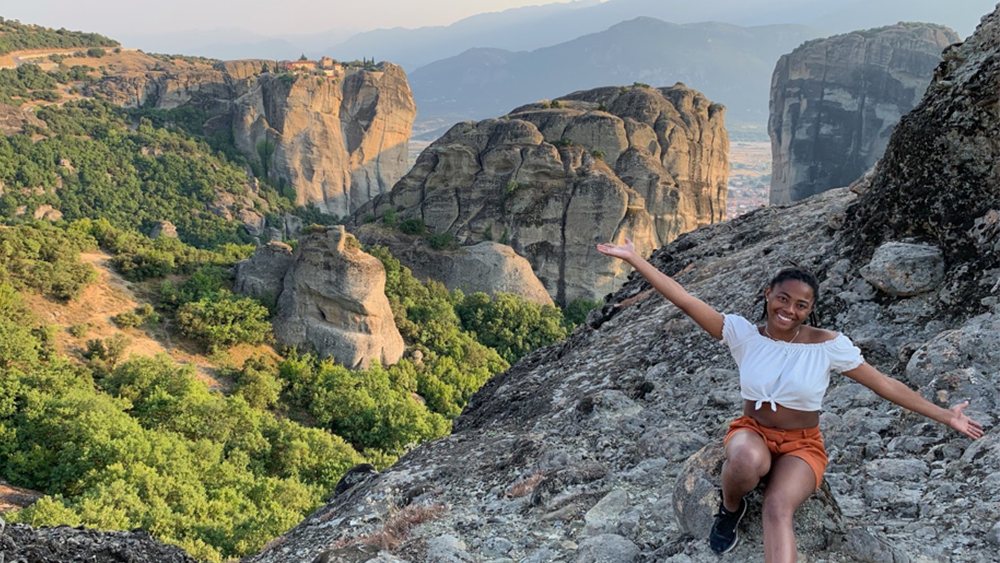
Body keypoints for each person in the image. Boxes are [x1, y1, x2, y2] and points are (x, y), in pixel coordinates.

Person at [596, 238, 984, 562]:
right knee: (746, 463)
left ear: (810, 308)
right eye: (783, 299)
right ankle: (730, 509)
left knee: (778, 509)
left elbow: (884, 384)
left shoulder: (829, 346)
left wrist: (944, 415)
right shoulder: (743, 334)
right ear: (768, 295)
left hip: (803, 444)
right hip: (754, 431)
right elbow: (683, 298)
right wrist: (634, 258)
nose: (789, 310)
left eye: (801, 305)